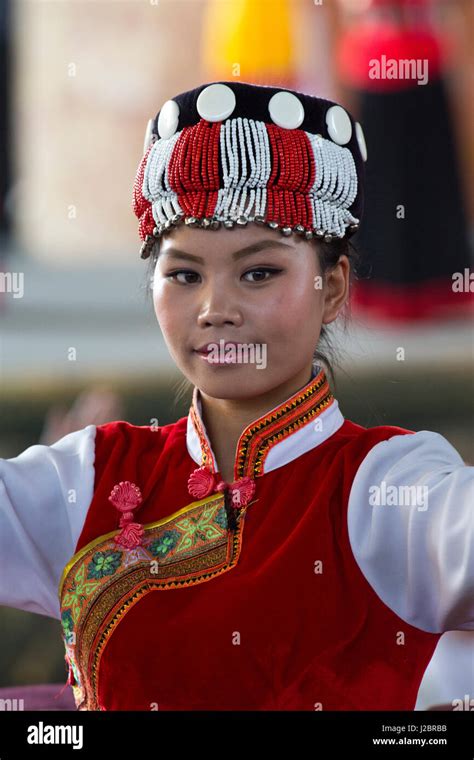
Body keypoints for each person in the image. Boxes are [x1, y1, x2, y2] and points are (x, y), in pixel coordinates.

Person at [0, 81, 472, 711]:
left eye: (259, 273)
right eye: (184, 274)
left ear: (332, 289)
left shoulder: (384, 491)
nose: (216, 309)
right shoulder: (87, 478)